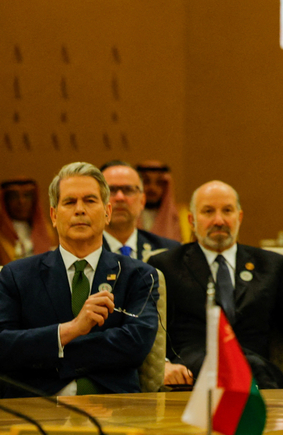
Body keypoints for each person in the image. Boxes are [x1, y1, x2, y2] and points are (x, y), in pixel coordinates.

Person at [149, 181, 283, 389]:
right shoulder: (164, 266)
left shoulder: (273, 266)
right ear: (192, 220)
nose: (219, 220)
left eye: (227, 211)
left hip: (258, 377)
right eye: (208, 211)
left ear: (239, 217)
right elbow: (150, 328)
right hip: (192, 378)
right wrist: (163, 365)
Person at [0, 162, 159, 396]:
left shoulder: (138, 275)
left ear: (107, 213)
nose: (80, 210)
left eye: (90, 201)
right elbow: (4, 346)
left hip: (116, 405)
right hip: (40, 404)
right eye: (69, 202)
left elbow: (135, 346)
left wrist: (52, 348)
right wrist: (72, 329)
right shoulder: (16, 275)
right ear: (54, 215)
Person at [99, 161, 180, 261]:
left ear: (142, 201)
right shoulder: (84, 250)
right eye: (111, 190)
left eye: (128, 190)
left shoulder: (169, 252)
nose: (120, 197)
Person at [1, 178, 55, 266]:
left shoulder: (47, 232)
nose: (21, 201)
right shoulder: (2, 236)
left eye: (27, 196)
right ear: (5, 201)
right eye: (14, 197)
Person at [135, 160, 190, 243]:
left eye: (159, 183)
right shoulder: (127, 216)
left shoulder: (182, 218)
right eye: (146, 182)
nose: (152, 188)